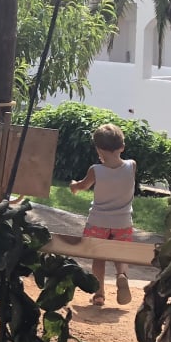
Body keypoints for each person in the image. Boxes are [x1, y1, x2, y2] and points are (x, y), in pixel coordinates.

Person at [69, 123, 137, 307]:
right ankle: (122, 275)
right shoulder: (132, 166)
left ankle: (99, 295)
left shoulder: (96, 170)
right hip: (123, 222)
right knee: (121, 255)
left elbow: (83, 185)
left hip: (98, 222)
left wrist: (74, 185)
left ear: (98, 149)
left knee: (99, 258)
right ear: (122, 147)